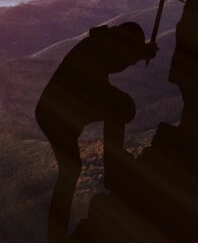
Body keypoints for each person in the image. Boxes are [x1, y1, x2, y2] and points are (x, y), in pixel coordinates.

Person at [35, 22, 157, 243]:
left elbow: (115, 59)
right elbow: (115, 60)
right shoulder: (99, 50)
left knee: (70, 172)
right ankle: (113, 172)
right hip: (58, 114)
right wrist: (141, 52)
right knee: (121, 108)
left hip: (57, 112)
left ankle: (54, 235)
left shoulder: (99, 43)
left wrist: (140, 52)